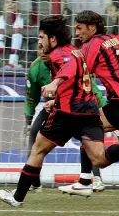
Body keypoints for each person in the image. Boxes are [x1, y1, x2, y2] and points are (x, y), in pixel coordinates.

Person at [0, 15, 119, 207]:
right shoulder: (76, 51)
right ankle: (88, 178)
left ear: (52, 39)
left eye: (41, 38)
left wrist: (55, 82)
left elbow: (68, 69)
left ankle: (17, 197)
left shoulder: (62, 54)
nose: (39, 43)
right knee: (100, 159)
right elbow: (78, 77)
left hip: (68, 114)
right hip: (90, 112)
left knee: (38, 149)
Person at [58, 10, 119, 196]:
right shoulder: (118, 39)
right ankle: (85, 181)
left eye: (79, 28)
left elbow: (80, 73)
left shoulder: (92, 45)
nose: (77, 33)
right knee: (87, 126)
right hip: (117, 102)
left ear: (92, 27)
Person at [24, 43, 109, 193]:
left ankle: (94, 177)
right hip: (55, 108)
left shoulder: (70, 61)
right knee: (34, 133)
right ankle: (34, 182)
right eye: (39, 48)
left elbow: (92, 88)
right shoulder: (35, 68)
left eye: (45, 47)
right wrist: (28, 121)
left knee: (88, 138)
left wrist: (105, 109)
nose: (42, 51)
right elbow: (31, 99)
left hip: (80, 108)